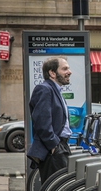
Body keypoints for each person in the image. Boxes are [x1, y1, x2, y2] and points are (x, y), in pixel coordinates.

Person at [27, 56, 72, 184]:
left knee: (59, 188)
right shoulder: (45, 89)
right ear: (52, 73)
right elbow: (41, 121)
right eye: (65, 69)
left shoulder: (54, 90)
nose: (69, 72)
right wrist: (53, 145)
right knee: (57, 190)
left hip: (60, 146)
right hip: (54, 149)